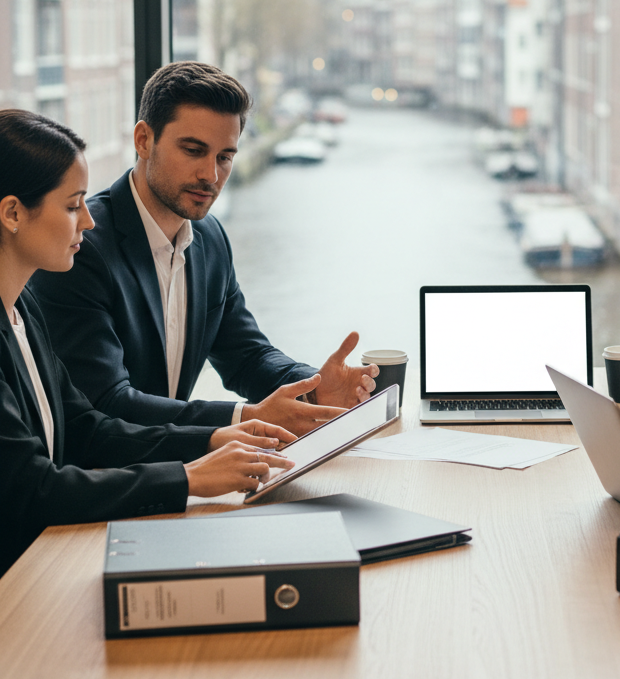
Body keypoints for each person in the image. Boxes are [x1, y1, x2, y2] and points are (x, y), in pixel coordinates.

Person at [0, 110, 296, 576]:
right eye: (74, 205)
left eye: (225, 155)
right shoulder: (56, 286)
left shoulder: (22, 310)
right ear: (13, 213)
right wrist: (189, 477)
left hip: (43, 558)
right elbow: (32, 487)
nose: (89, 222)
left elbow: (86, 427)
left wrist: (216, 439)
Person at [31, 62, 376, 436]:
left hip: (175, 466)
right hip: (104, 479)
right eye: (194, 150)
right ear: (144, 140)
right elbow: (107, 403)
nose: (211, 175)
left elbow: (246, 355)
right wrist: (244, 419)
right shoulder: (80, 248)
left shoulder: (210, 238)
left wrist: (312, 385)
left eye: (225, 157)